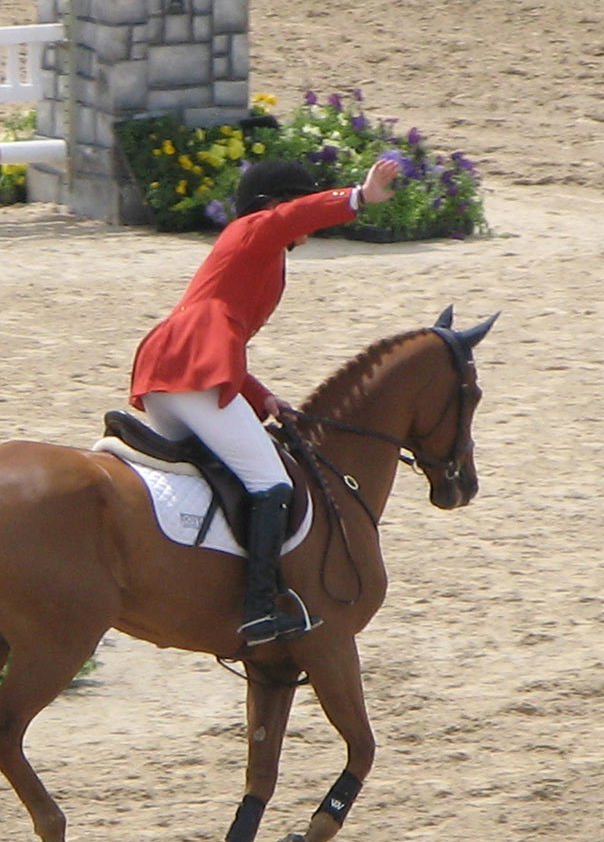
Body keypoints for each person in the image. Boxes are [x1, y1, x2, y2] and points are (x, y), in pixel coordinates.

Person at [129, 155, 401, 647]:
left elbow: (226, 343)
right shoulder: (254, 229)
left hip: (175, 371)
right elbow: (288, 219)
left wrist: (262, 396)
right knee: (271, 480)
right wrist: (358, 197)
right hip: (191, 371)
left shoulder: (264, 255)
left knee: (221, 475)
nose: (307, 225)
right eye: (296, 205)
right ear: (275, 204)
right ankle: (258, 610)